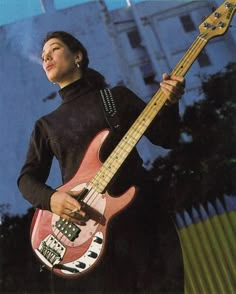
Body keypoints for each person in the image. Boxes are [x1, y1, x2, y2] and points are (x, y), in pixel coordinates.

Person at [17, 31, 185, 292]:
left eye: (55, 48)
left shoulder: (115, 98)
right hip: (88, 235)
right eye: (42, 56)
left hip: (143, 219)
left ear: (78, 56)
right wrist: (51, 199)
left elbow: (168, 137)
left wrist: (172, 103)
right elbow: (27, 180)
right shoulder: (46, 125)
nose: (46, 56)